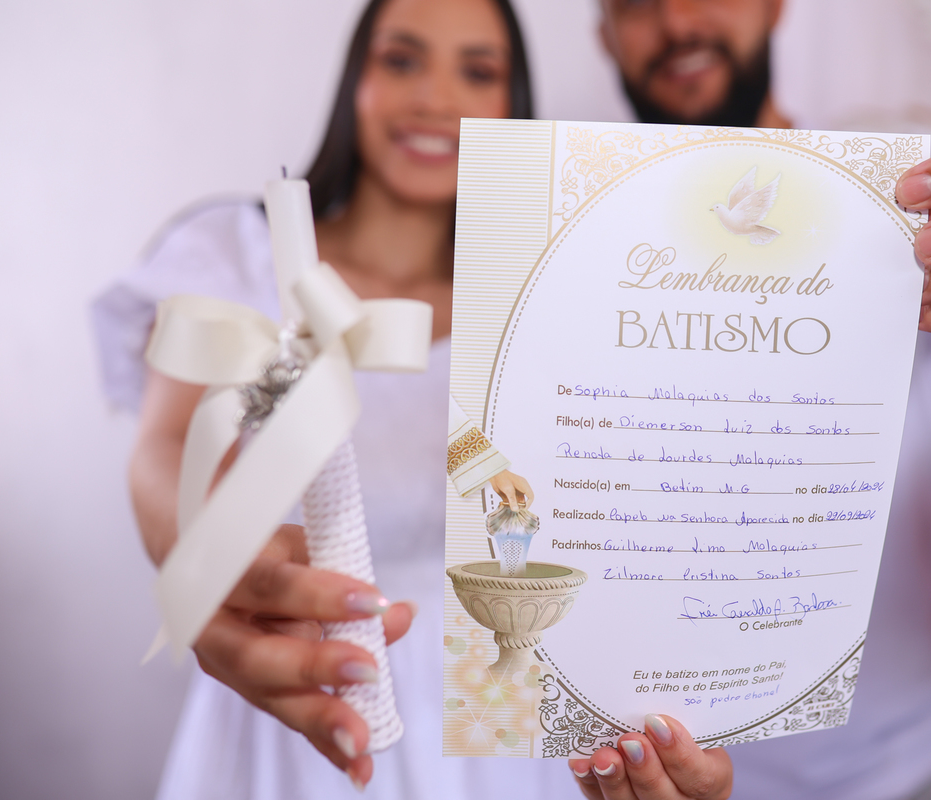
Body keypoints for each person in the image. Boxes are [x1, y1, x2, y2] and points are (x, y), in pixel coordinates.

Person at [566, 1, 931, 799]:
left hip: (911, 757)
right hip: (668, 765)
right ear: (603, 36)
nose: (678, 21)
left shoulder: (899, 204)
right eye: (636, 3)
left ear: (774, 5)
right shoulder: (567, 239)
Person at [93, 0, 577, 796]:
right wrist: (218, 566)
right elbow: (168, 443)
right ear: (356, 77)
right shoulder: (240, 258)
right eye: (402, 59)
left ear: (512, 104)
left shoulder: (538, 299)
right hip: (289, 687)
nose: (435, 98)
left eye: (478, 71)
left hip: (490, 712)